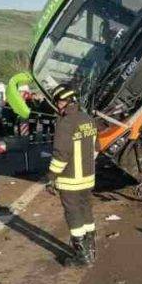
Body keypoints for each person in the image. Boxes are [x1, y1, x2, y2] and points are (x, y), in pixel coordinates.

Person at [46, 84, 98, 267]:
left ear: (66, 102)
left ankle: (82, 257)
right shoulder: (88, 119)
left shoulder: (65, 122)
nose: (58, 105)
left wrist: (51, 177)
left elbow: (61, 154)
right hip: (88, 178)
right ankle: (91, 250)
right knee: (86, 211)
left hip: (70, 179)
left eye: (59, 101)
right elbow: (96, 148)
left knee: (73, 214)